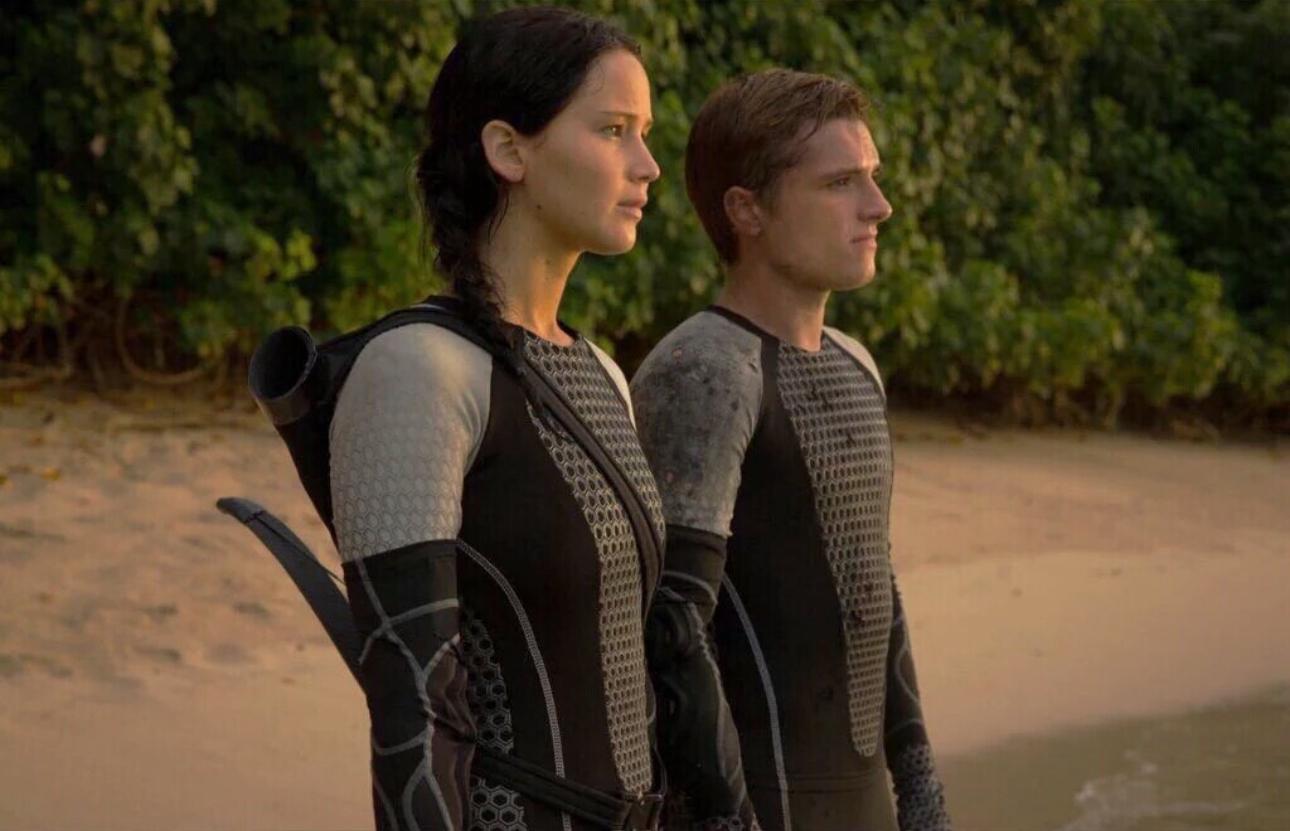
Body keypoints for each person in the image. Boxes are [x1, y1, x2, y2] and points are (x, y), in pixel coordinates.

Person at [329, 8, 664, 830]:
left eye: (645, 133)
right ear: (509, 150)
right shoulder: (418, 370)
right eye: (614, 130)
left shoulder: (603, 376)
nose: (648, 165)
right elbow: (415, 716)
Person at [631, 69, 952, 831]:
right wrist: (727, 821)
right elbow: (673, 631)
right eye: (840, 183)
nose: (879, 205)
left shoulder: (855, 365)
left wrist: (922, 798)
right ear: (746, 209)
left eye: (872, 176)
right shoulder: (704, 369)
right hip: (757, 808)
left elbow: (874, 600)